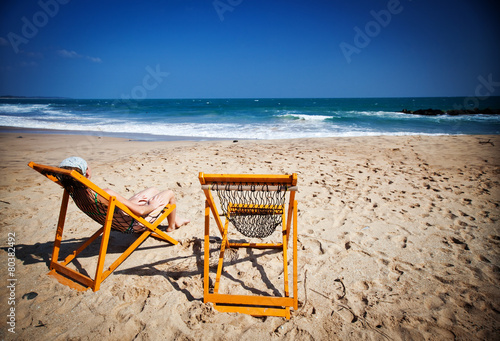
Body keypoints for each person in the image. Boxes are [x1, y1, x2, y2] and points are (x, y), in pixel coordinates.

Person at [59, 156, 190, 233]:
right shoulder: (104, 194)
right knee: (169, 194)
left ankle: (176, 219)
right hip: (131, 224)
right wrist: (151, 205)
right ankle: (172, 226)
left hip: (115, 221)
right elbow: (141, 211)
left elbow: (115, 207)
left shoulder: (75, 191)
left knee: (154, 190)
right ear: (87, 173)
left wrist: (134, 203)